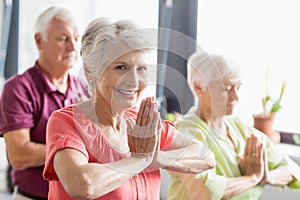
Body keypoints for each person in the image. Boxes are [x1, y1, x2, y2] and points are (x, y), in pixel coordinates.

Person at [42, 17, 216, 200]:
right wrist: (139, 160)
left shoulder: (141, 121)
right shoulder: (66, 121)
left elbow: (206, 156)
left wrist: (155, 158)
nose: (134, 81)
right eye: (120, 67)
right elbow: (83, 184)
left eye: (141, 68)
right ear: (90, 71)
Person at [167, 52, 300, 200]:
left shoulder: (237, 127)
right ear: (198, 87)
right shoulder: (184, 133)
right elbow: (204, 192)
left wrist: (266, 176)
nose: (236, 97)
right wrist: (252, 178)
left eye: (238, 87)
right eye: (227, 88)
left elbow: (291, 169)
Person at [0, 6, 90, 199]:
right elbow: (19, 155)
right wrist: (72, 151)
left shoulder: (84, 89)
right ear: (40, 41)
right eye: (63, 39)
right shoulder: (18, 88)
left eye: (76, 38)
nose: (73, 47)